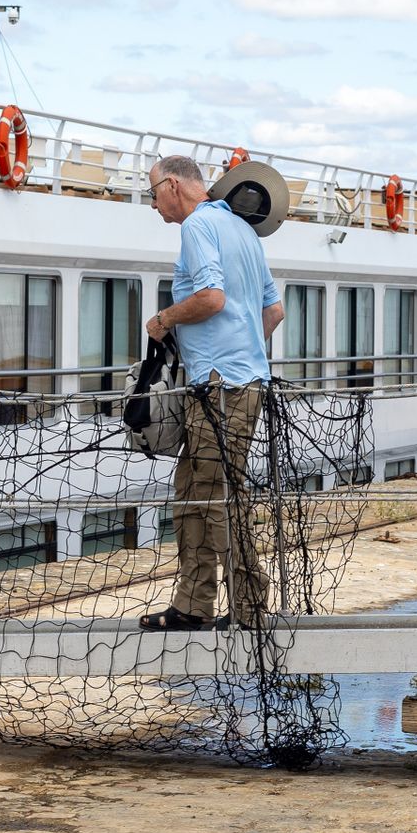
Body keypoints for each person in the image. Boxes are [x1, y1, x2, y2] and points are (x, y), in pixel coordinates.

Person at [138, 155, 284, 632]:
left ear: (173, 186)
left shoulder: (198, 227)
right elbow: (273, 311)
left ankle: (249, 605)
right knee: (193, 490)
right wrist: (244, 351)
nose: (154, 205)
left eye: (153, 192)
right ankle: (193, 604)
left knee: (216, 493)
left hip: (220, 387)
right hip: (238, 382)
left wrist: (162, 321)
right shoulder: (242, 229)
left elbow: (211, 298)